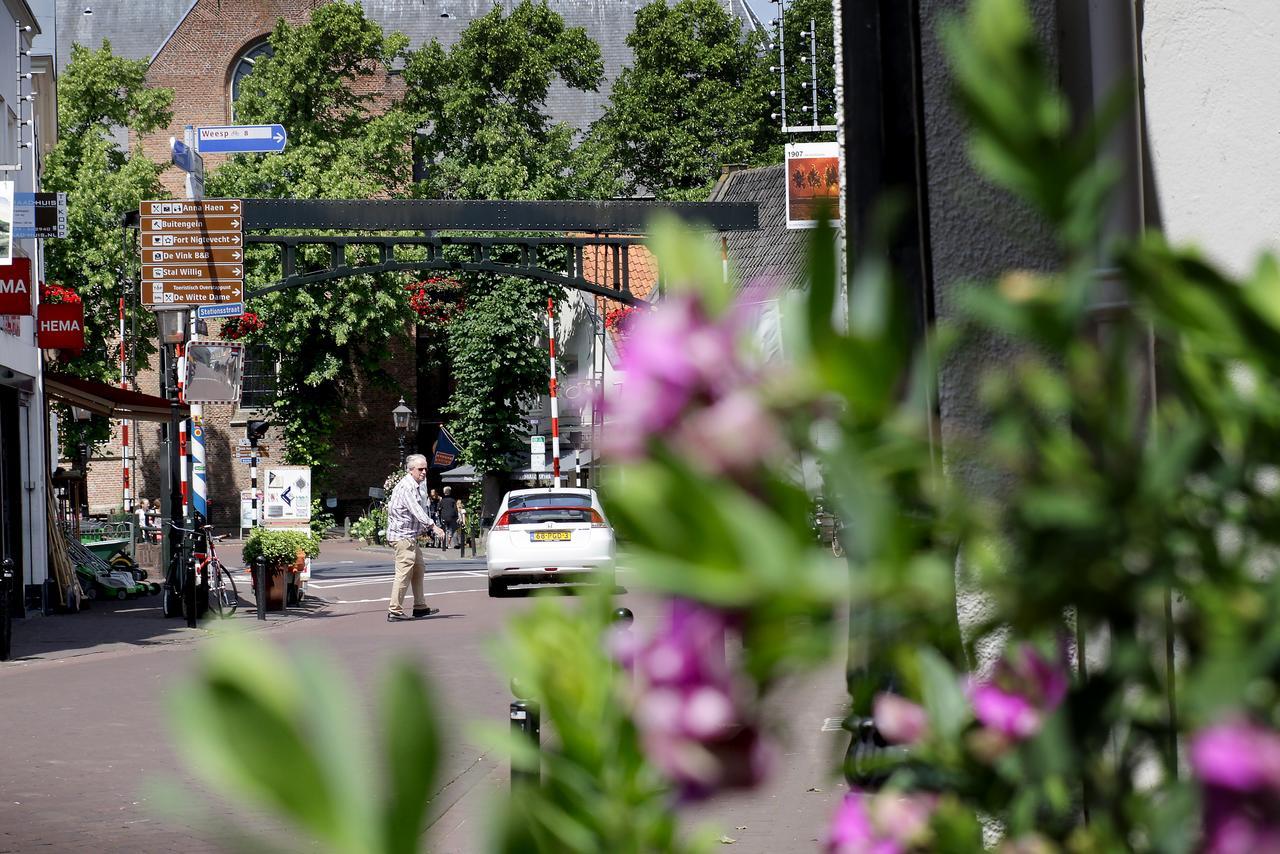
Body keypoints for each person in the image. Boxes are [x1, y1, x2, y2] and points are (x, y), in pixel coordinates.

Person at [385, 454, 442, 622]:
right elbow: (415, 510)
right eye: (420, 469)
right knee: (403, 573)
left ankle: (420, 607)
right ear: (411, 470)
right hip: (403, 537)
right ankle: (394, 611)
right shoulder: (407, 487)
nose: (424, 472)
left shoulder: (414, 485)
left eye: (425, 468)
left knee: (418, 569)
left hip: (409, 536)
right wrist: (433, 526)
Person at [438, 486, 459, 551]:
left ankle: (445, 544)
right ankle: (455, 544)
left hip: (444, 516)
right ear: (450, 492)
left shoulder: (442, 501)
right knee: (453, 530)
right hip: (452, 517)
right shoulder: (453, 500)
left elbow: (439, 508)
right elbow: (455, 509)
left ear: (444, 492)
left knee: (445, 530)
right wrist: (456, 516)